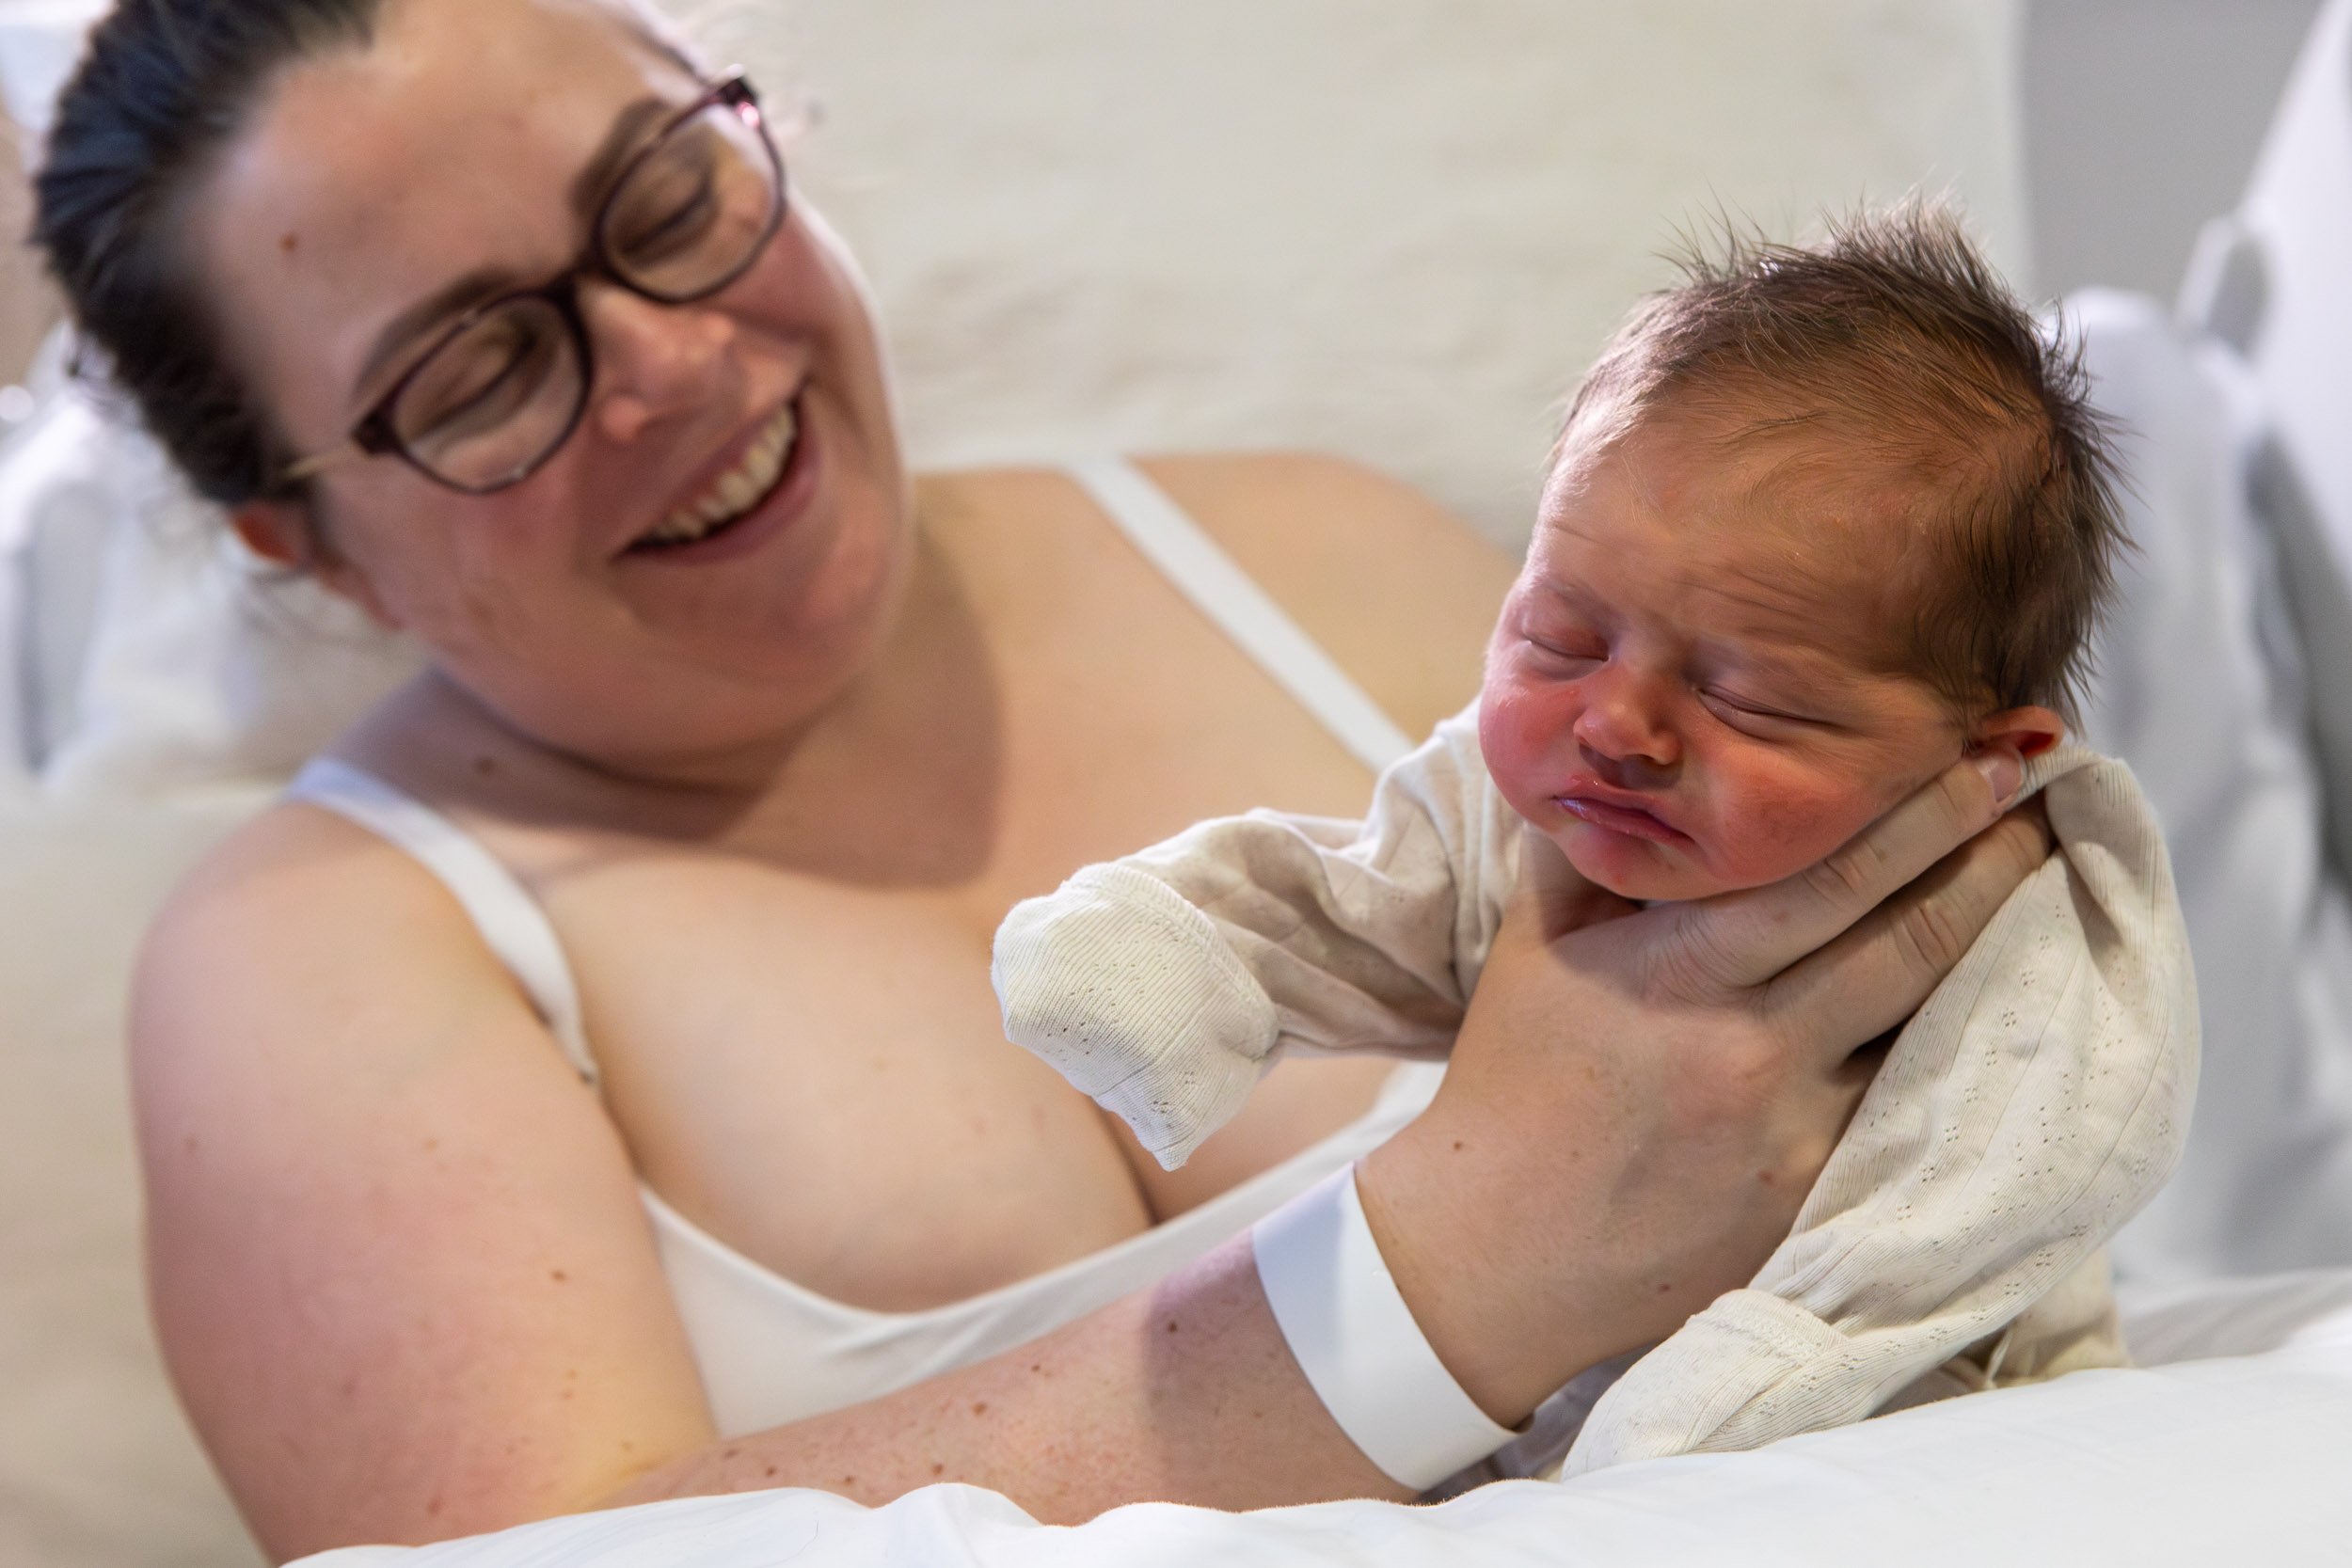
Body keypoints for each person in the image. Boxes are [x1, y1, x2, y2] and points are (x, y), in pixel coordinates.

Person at [38, 0, 2050, 1557]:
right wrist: (1445, 1274)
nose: (662, 363)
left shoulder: (1323, 556)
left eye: (663, 200)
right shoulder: (308, 965)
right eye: (476, 367)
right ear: (295, 536)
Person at [994, 206, 2197, 1472]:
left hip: (1930, 1387)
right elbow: (1371, 905)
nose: (1618, 724)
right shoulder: (1524, 802)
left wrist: (1782, 1352)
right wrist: (1188, 960)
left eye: (1754, 700)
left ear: (1987, 757)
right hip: (1541, 1412)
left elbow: (2020, 1168)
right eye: (1561, 636)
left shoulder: (2033, 912)